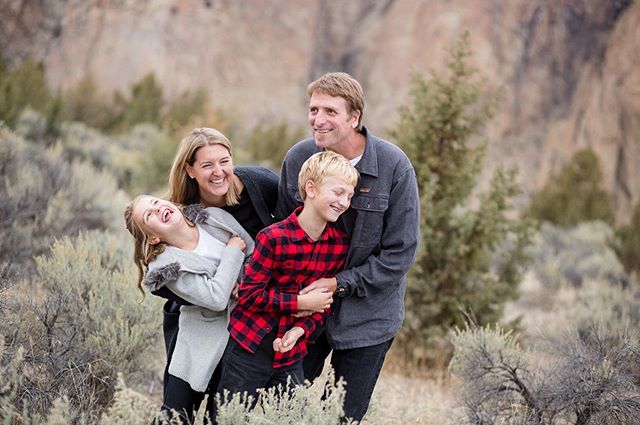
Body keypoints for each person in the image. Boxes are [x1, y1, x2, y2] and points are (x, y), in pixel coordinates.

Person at [275, 72, 420, 422]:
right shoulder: (299, 159)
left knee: (340, 416)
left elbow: (400, 253)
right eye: (313, 109)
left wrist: (339, 283)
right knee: (277, 405)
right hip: (305, 310)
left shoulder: (393, 166)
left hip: (368, 314)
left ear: (354, 118)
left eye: (330, 111)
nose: (318, 120)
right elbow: (281, 230)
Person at [216, 151, 359, 405]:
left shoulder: (338, 246)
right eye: (337, 193)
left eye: (349, 196)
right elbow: (249, 295)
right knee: (229, 417)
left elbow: (323, 304)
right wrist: (299, 303)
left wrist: (300, 329)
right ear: (311, 189)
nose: (344, 202)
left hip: (291, 352)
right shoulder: (274, 237)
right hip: (250, 345)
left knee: (291, 415)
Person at [157, 127, 279, 412]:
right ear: (189, 169)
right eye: (207, 165)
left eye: (224, 161)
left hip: (250, 316)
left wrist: (254, 283)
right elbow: (156, 273)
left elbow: (290, 236)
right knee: (177, 411)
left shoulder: (261, 186)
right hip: (197, 318)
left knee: (225, 410)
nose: (219, 172)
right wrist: (210, 290)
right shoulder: (179, 212)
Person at [124, 195, 254, 423]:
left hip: (241, 334)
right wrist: (232, 252)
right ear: (153, 238)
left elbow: (252, 253)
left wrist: (245, 282)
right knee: (175, 417)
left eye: (155, 203)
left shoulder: (214, 218)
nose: (157, 209)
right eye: (148, 215)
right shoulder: (167, 267)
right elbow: (215, 298)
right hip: (198, 342)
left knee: (223, 416)